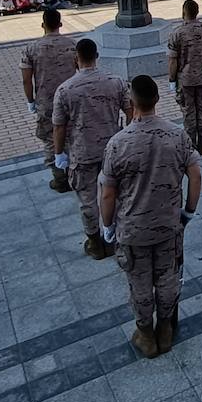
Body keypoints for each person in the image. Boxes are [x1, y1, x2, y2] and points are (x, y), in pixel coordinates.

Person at [98, 75, 201, 359]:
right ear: (157, 100)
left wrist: (107, 227)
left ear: (132, 102)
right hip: (169, 225)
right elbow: (195, 175)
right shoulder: (176, 134)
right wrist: (189, 211)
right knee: (168, 279)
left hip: (133, 230)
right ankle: (165, 328)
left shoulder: (118, 143)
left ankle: (146, 334)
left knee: (140, 284)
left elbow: (107, 194)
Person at [52, 37, 131, 259]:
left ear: (76, 59)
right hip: (113, 150)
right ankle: (116, 236)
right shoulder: (115, 81)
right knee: (117, 194)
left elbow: (58, 127)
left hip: (82, 153)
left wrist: (59, 155)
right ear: (97, 56)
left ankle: (95, 242)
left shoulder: (65, 90)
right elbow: (131, 111)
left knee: (88, 200)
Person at [20, 8, 77, 192]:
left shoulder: (31, 49)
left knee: (50, 140)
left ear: (43, 24)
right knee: (73, 136)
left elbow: (26, 79)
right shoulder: (72, 45)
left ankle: (59, 178)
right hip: (71, 100)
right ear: (60, 24)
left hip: (46, 101)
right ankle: (74, 173)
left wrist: (31, 101)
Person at [166, 0, 202, 155]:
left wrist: (171, 80)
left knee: (189, 111)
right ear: (197, 12)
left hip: (185, 80)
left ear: (184, 12)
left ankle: (191, 144)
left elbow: (172, 60)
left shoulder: (177, 33)